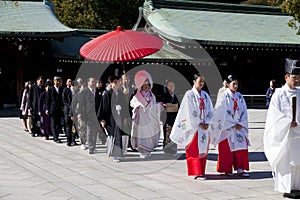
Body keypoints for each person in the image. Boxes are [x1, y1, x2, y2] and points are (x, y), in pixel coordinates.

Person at [264, 58, 300, 199]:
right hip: (284, 136)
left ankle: (297, 186)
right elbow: (273, 115)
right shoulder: (278, 94)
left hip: (298, 135)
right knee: (287, 162)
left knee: (298, 162)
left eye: (298, 77)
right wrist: (287, 122)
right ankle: (287, 187)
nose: (297, 80)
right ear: (286, 77)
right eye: (294, 77)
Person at [170, 73, 213, 180]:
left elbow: (210, 109)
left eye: (203, 81)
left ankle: (201, 171)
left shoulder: (206, 95)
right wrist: (199, 122)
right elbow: (188, 111)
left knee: (203, 148)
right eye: (200, 81)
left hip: (204, 127)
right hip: (194, 127)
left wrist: (207, 121)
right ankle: (195, 171)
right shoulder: (189, 94)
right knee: (194, 149)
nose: (202, 83)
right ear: (194, 81)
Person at [212, 75, 250, 177]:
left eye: (237, 84)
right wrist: (232, 123)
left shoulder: (240, 96)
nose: (236, 86)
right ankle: (226, 168)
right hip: (227, 127)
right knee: (226, 149)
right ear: (228, 85)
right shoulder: (223, 95)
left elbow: (244, 110)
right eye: (234, 84)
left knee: (241, 147)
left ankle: (240, 168)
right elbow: (221, 111)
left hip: (239, 126)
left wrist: (241, 123)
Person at [130, 70, 161, 158]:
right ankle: (142, 151)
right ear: (141, 85)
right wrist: (137, 106)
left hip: (150, 117)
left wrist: (158, 106)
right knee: (142, 134)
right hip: (141, 117)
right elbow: (132, 103)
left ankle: (148, 150)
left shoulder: (152, 95)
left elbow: (154, 105)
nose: (146, 86)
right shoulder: (137, 95)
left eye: (148, 84)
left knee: (149, 134)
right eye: (145, 84)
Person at [98, 75, 128, 162]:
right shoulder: (107, 94)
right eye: (114, 82)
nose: (116, 83)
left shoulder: (121, 93)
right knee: (112, 135)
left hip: (119, 116)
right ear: (110, 84)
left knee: (118, 135)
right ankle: (114, 154)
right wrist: (102, 119)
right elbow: (103, 107)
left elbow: (125, 106)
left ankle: (116, 153)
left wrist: (125, 117)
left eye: (117, 81)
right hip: (110, 117)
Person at [161, 80, 180, 154]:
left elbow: (179, 106)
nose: (171, 87)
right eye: (170, 86)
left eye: (173, 86)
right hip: (167, 118)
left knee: (174, 133)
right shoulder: (164, 95)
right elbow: (162, 105)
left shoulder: (176, 95)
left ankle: (173, 148)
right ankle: (167, 148)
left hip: (175, 117)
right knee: (167, 133)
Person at [46, 76, 64, 143]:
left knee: (58, 124)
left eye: (59, 81)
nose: (58, 82)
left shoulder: (61, 89)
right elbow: (48, 99)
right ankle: (55, 137)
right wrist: (47, 109)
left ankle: (57, 135)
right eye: (57, 81)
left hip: (59, 109)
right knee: (53, 123)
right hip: (52, 108)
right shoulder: (50, 89)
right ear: (54, 81)